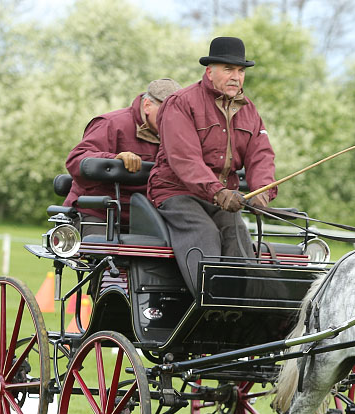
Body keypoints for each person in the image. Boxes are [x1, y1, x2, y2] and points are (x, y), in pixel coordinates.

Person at [147, 37, 277, 297]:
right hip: (177, 191)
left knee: (238, 235)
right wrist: (218, 192)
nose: (236, 77)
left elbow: (261, 155)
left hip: (222, 198)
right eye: (228, 69)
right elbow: (184, 159)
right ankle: (211, 305)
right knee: (204, 233)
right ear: (210, 71)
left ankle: (246, 308)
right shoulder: (180, 103)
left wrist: (263, 190)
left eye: (240, 71)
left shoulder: (249, 111)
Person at [63, 78, 181, 222]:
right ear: (147, 105)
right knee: (97, 244)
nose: (171, 119)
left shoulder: (178, 133)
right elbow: (76, 159)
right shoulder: (111, 124)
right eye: (166, 111)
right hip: (97, 212)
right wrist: (114, 159)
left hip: (147, 216)